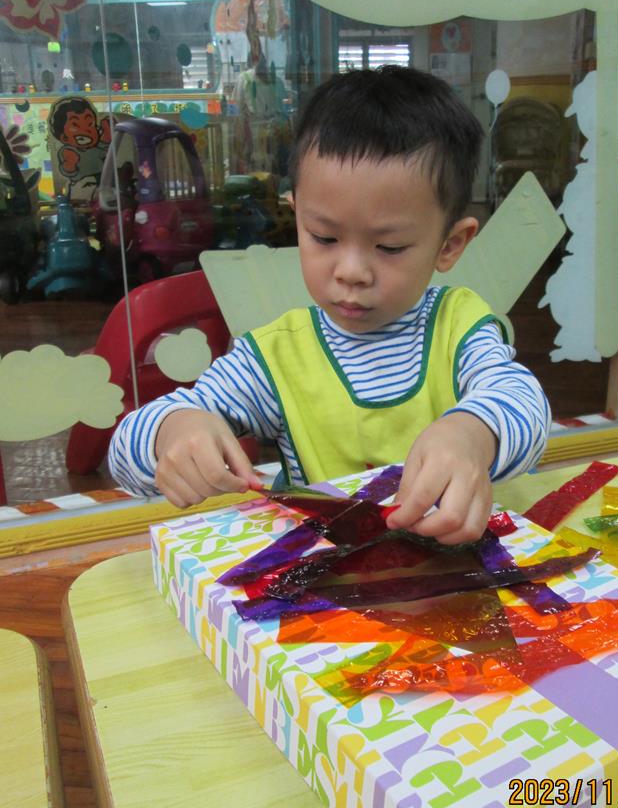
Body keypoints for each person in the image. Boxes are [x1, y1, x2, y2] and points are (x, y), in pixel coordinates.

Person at [109, 66, 551, 544]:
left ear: (449, 244)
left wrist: (473, 434)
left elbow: (524, 403)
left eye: (390, 247)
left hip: (450, 566)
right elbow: (124, 455)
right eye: (324, 237)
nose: (352, 271)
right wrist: (172, 431)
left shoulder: (459, 327)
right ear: (296, 216)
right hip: (322, 578)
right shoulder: (274, 359)